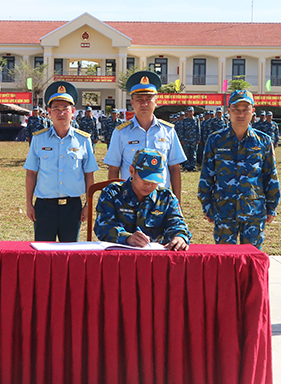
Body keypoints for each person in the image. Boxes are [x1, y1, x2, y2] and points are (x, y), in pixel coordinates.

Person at [197, 89, 280, 249]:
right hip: (223, 210)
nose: (240, 114)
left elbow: (270, 175)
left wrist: (272, 206)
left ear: (253, 112)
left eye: (245, 109)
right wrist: (206, 205)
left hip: (253, 212)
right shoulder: (215, 140)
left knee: (251, 261)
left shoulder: (263, 140)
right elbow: (207, 175)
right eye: (236, 109)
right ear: (228, 111)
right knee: (225, 261)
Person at [24, 81, 98, 242]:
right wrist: (29, 204)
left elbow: (89, 175)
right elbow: (31, 173)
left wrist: (88, 204)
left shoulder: (83, 140)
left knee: (70, 257)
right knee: (43, 255)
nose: (61, 113)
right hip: (44, 207)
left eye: (65, 109)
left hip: (72, 208)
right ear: (49, 112)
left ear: (73, 112)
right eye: (56, 109)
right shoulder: (39, 139)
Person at [104, 71, 186, 202]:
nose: (144, 104)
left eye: (148, 99)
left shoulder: (168, 131)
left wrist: (177, 202)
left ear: (156, 101)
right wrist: (114, 201)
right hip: (129, 199)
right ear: (132, 102)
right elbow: (113, 169)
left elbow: (174, 168)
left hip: (161, 200)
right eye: (139, 100)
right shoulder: (121, 132)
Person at [94, 149, 190, 250]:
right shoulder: (113, 193)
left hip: (155, 258)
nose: (149, 184)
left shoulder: (166, 197)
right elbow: (102, 227)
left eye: (154, 180)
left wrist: (180, 237)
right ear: (132, 171)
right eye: (145, 179)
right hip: (119, 257)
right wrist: (127, 238)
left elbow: (178, 224)